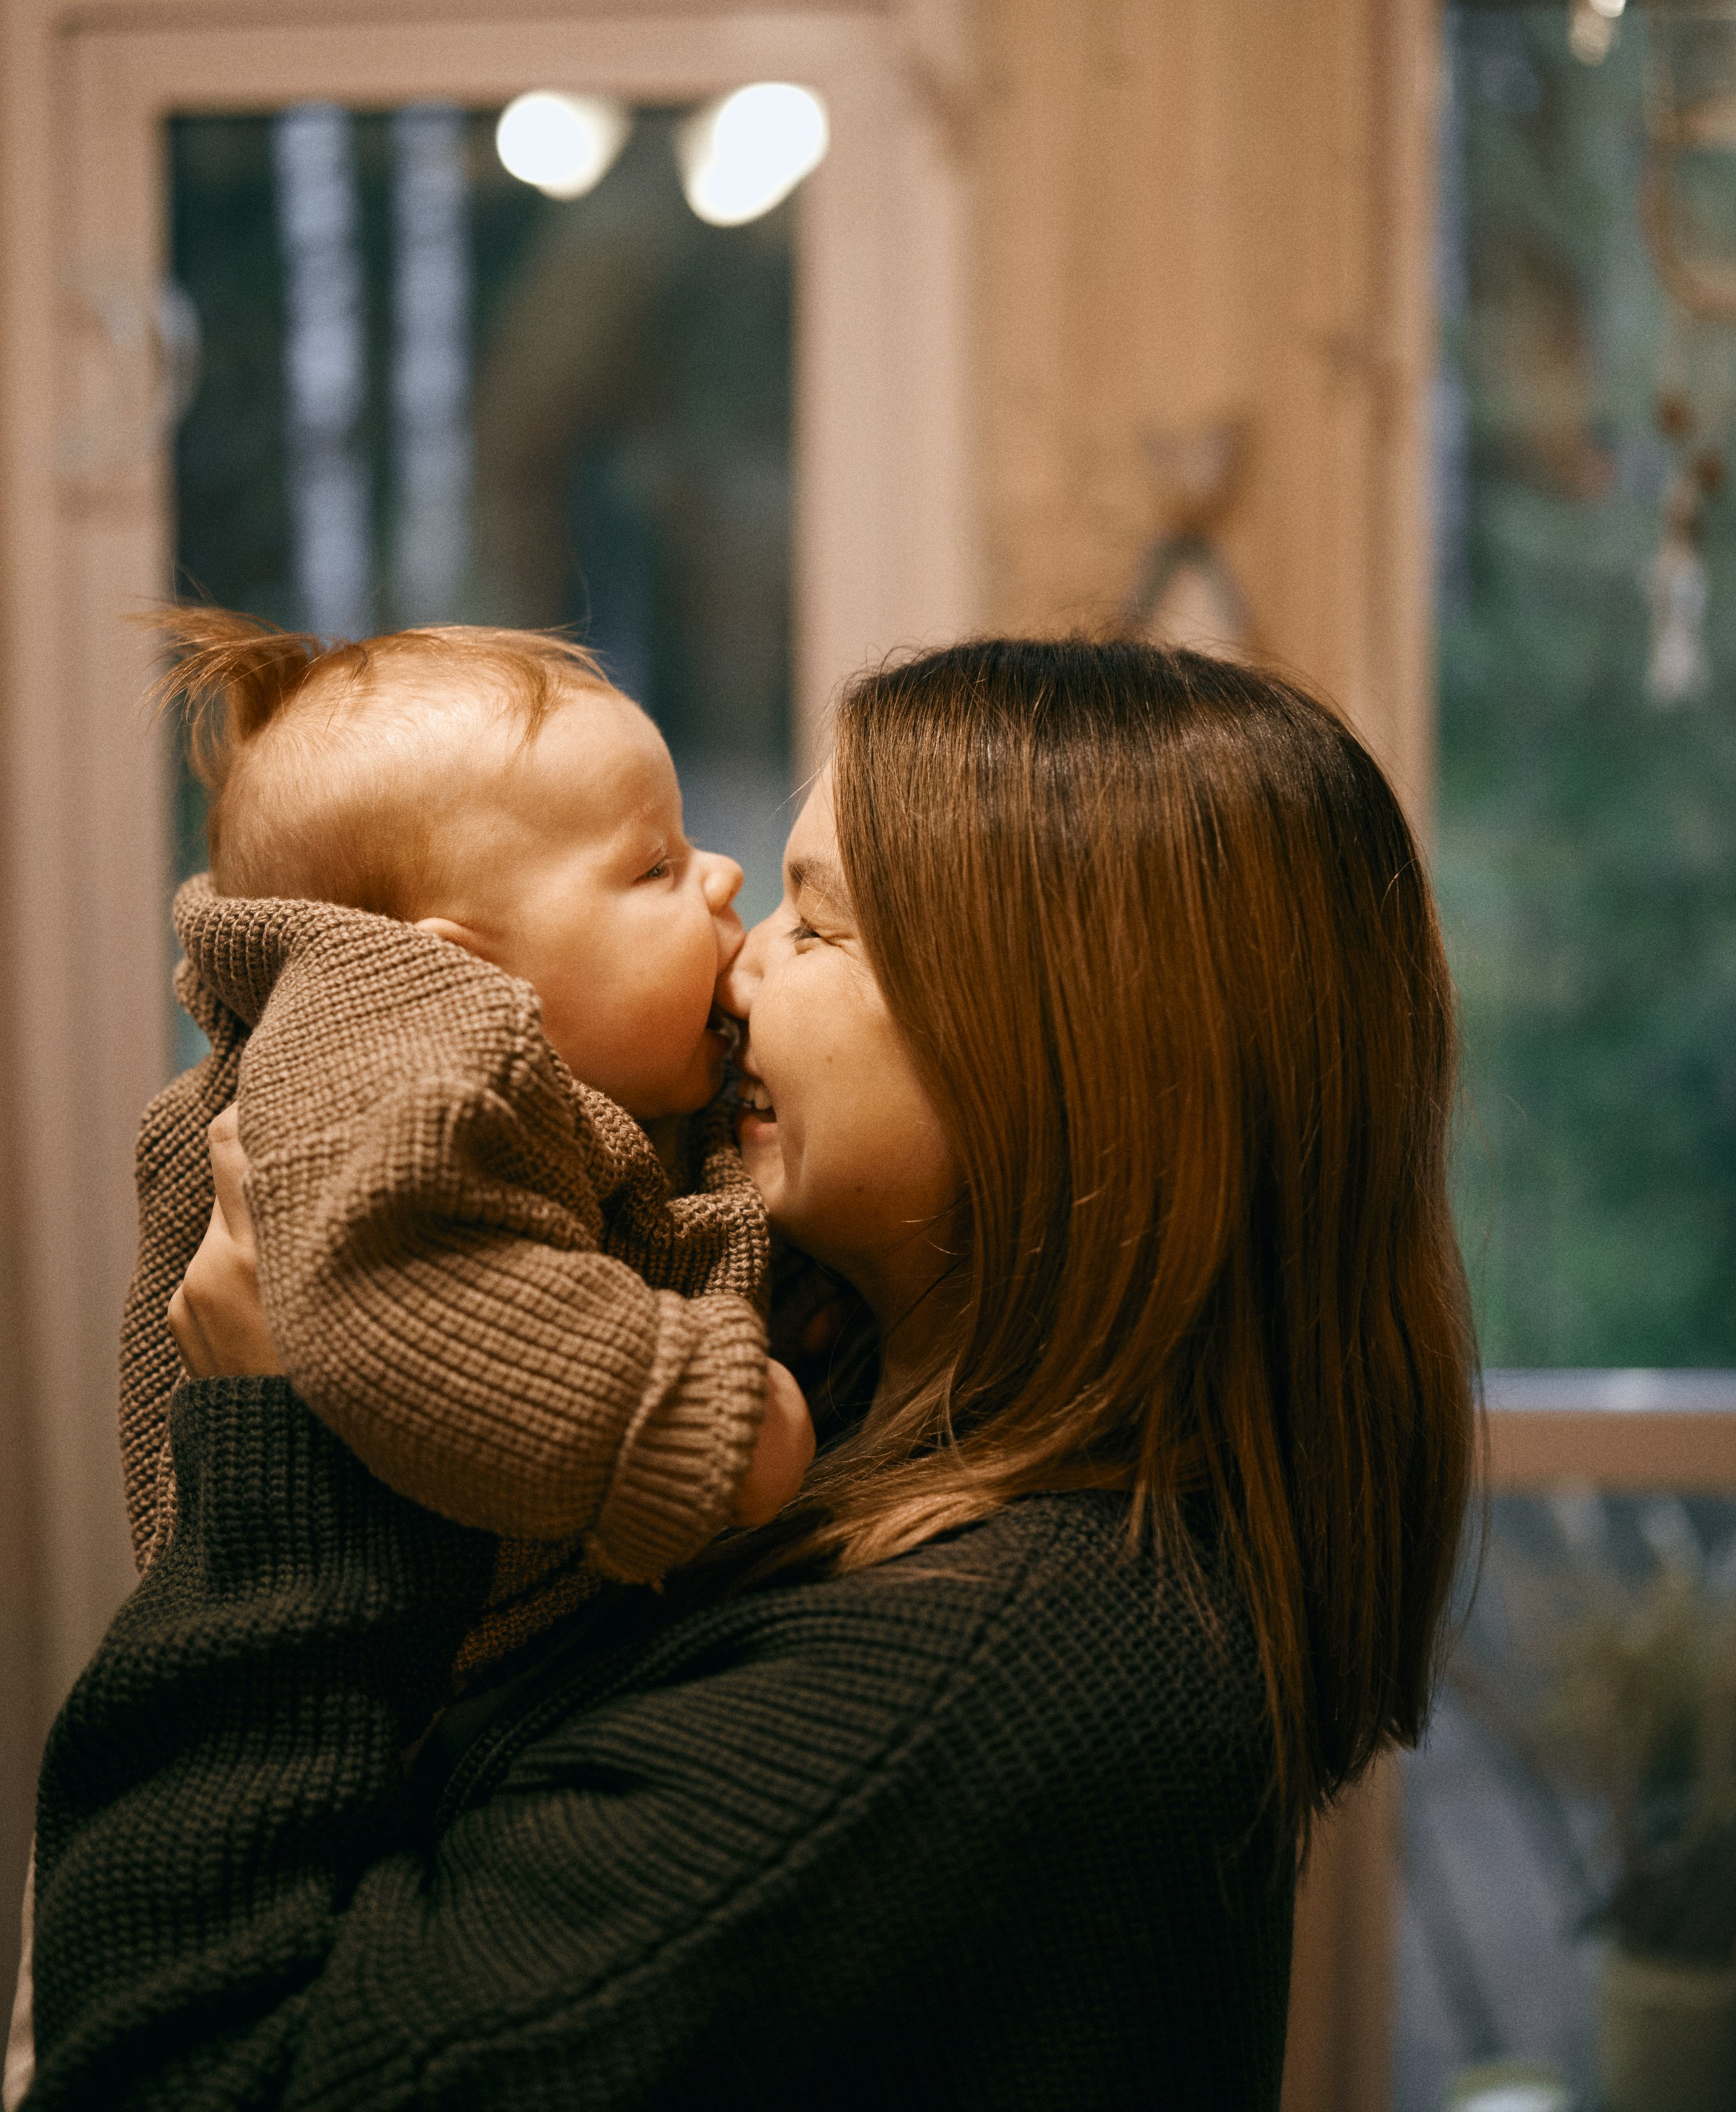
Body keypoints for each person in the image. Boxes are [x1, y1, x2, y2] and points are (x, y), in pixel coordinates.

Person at [23, 639, 1476, 2111]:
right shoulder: (881, 1413)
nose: (743, 950)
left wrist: (284, 1450)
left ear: (1056, 1049)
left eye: (821, 926)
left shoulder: (960, 1692)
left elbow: (170, 2075)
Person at [123, 608, 815, 1662]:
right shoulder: (379, 1039)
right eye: (653, 867)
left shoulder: (548, 1072)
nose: (721, 872)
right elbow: (393, 1280)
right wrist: (678, 1414)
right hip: (375, 1677)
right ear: (460, 970)